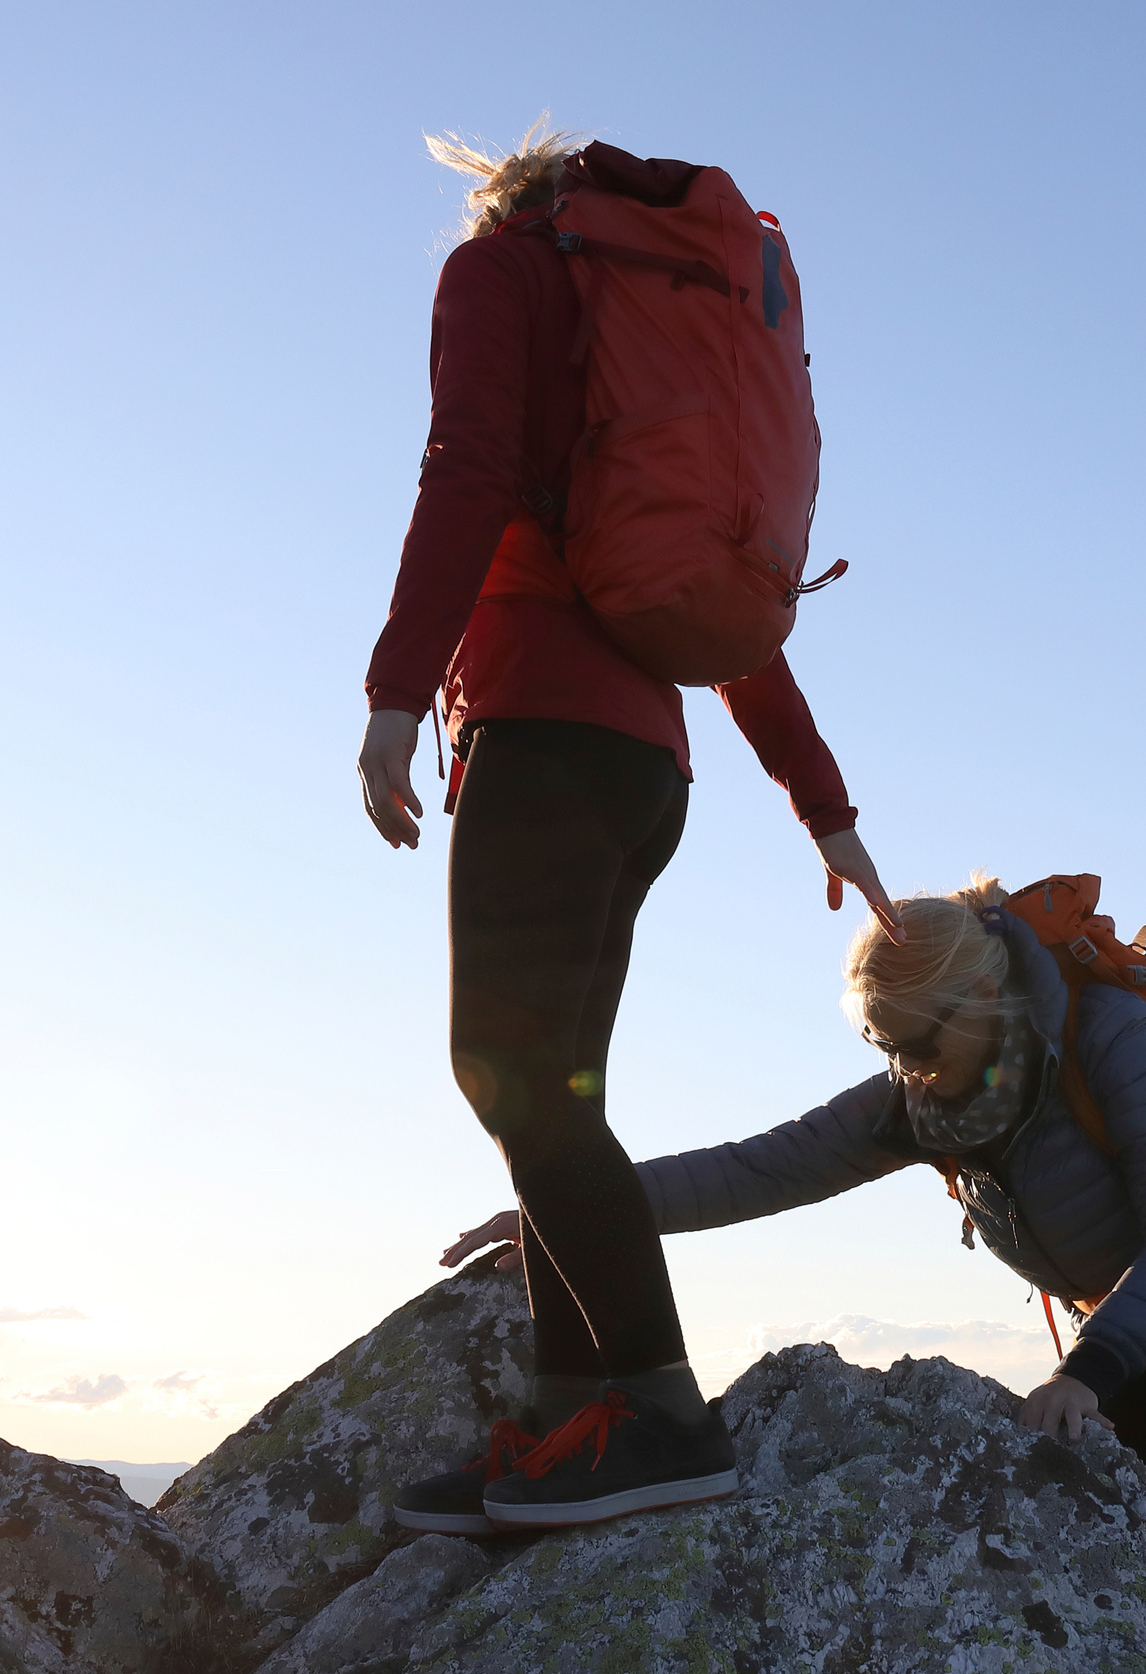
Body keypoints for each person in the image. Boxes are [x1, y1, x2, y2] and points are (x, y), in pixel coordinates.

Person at [360, 125, 901, 1535]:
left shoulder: (506, 277)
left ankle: (663, 1417)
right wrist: (822, 805)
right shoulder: (656, 339)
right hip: (645, 769)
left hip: (536, 733)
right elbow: (720, 614)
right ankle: (564, 1418)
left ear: (505, 199)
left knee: (510, 1082)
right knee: (560, 1091)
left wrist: (393, 694)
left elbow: (468, 472)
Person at [434, 878, 1146, 1603]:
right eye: (886, 1051)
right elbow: (760, 1168)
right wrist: (566, 1203)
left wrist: (1084, 1375)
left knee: (1066, 1533)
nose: (906, 1074)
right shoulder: (927, 1102)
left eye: (918, 1044)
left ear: (985, 991)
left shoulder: (1111, 1039)